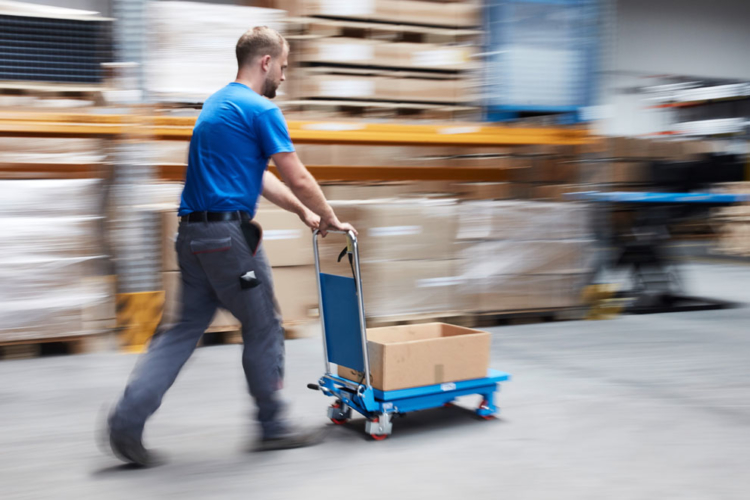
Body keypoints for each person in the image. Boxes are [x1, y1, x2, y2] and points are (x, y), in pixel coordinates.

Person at [105, 26, 356, 466]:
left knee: (182, 331)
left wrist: (302, 211)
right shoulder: (261, 110)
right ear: (265, 62)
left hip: (192, 239)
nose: (284, 75)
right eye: (283, 65)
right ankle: (273, 425)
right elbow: (296, 173)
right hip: (229, 241)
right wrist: (332, 219)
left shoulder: (216, 106)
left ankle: (126, 421)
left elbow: (258, 176)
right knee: (264, 325)